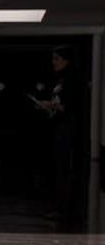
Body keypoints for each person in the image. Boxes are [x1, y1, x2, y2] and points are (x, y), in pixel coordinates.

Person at [37, 46, 85, 227]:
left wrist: (51, 106)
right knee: (59, 166)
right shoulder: (61, 79)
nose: (54, 62)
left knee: (65, 167)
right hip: (59, 126)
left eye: (57, 58)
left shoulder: (72, 80)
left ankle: (66, 207)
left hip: (68, 127)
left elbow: (71, 106)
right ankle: (60, 205)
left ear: (66, 61)